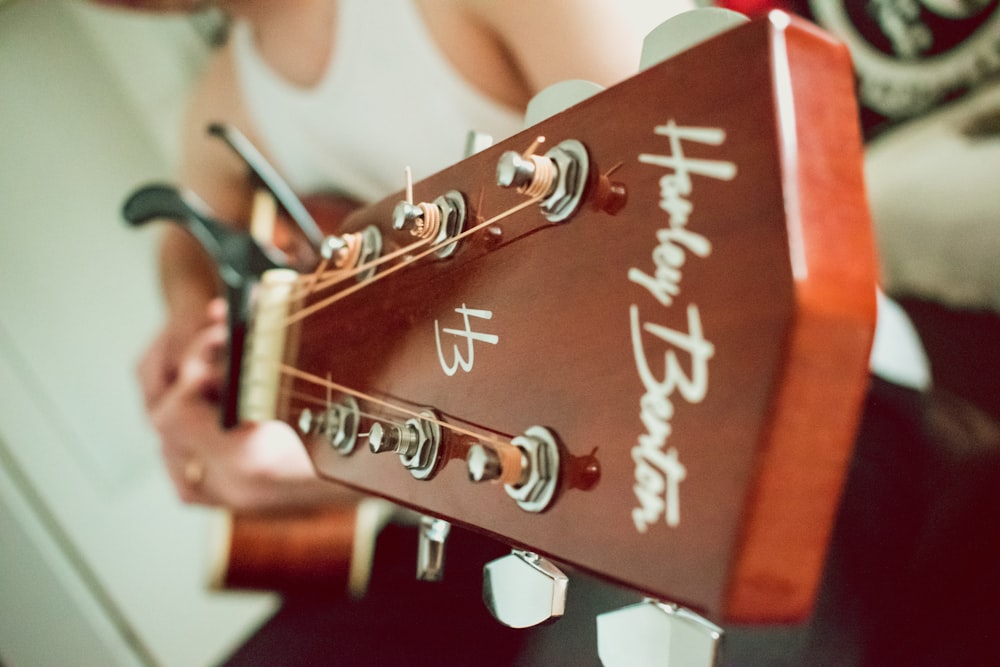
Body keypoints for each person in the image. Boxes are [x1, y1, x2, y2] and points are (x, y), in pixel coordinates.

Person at [96, 1, 694, 664]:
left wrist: (346, 460)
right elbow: (183, 239)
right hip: (455, 506)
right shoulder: (228, 92)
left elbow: (686, 244)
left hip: (635, 453)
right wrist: (189, 308)